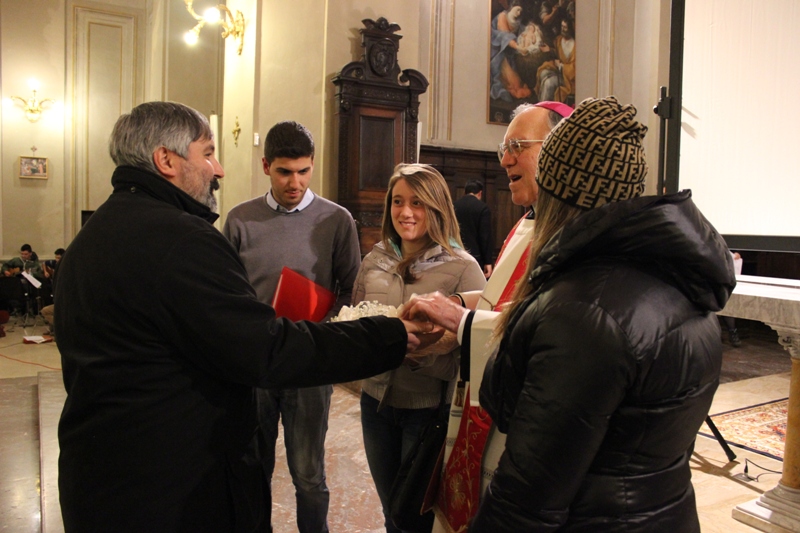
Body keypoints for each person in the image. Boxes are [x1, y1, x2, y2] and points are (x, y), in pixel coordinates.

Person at [54, 101, 434, 532]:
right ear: (166, 160)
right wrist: (386, 336)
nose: (217, 169)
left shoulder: (91, 237)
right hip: (167, 487)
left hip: (102, 476)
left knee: (309, 473)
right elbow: (264, 348)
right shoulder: (183, 240)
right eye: (207, 153)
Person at [404, 96, 736, 531]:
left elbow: (527, 498)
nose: (505, 159)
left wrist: (468, 324)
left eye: (518, 147)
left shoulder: (584, 310)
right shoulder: (682, 280)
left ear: (558, 185)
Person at [223, 121, 360, 533]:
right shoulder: (240, 220)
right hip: (256, 366)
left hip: (309, 364)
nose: (294, 182)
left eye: (303, 171)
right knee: (254, 469)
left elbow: (351, 290)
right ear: (266, 165)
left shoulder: (336, 220)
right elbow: (225, 293)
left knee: (309, 475)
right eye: (284, 172)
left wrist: (324, 331)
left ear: (313, 164)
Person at [355, 163, 486, 533]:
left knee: (416, 518)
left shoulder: (463, 268)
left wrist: (420, 353)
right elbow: (358, 316)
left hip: (427, 409)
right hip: (375, 402)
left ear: (437, 207)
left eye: (417, 202)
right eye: (398, 201)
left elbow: (474, 350)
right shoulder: (374, 259)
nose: (406, 212)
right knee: (390, 512)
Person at [453, 180, 494, 278]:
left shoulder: (453, 206)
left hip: (454, 253)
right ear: (480, 193)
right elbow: (485, 236)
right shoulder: (482, 208)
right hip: (475, 256)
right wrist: (488, 261)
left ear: (465, 192)